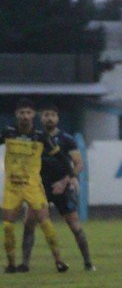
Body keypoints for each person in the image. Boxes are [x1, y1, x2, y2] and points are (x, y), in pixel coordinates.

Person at [20, 103, 94, 271]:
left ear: (58, 118)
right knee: (29, 222)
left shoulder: (67, 139)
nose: (50, 118)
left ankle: (88, 262)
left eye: (53, 115)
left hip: (62, 187)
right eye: (46, 115)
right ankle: (24, 264)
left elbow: (79, 164)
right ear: (41, 118)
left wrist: (66, 181)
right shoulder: (35, 138)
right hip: (39, 187)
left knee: (74, 225)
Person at [2, 98, 72, 273]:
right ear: (16, 115)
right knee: (8, 226)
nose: (25, 116)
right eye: (21, 113)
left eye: (28, 113)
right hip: (12, 187)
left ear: (33, 115)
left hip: (33, 187)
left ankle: (59, 260)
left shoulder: (41, 136)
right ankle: (11, 264)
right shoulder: (8, 133)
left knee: (45, 223)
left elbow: (61, 157)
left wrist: (69, 176)